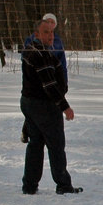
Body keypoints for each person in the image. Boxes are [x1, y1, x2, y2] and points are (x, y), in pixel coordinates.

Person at [21, 18, 80, 195]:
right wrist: (65, 107)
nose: (50, 35)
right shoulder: (39, 53)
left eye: (52, 32)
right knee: (55, 145)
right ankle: (63, 184)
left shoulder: (38, 51)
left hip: (31, 103)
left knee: (36, 144)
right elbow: (49, 85)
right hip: (44, 106)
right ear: (36, 34)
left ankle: (30, 185)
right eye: (45, 32)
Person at [21, 13, 68, 143]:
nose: (50, 26)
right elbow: (45, 79)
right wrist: (65, 107)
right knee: (52, 143)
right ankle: (26, 131)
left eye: (52, 24)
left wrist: (63, 83)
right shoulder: (33, 46)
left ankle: (32, 133)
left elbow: (61, 63)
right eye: (48, 22)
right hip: (39, 96)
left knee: (37, 142)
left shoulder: (57, 42)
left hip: (51, 88)